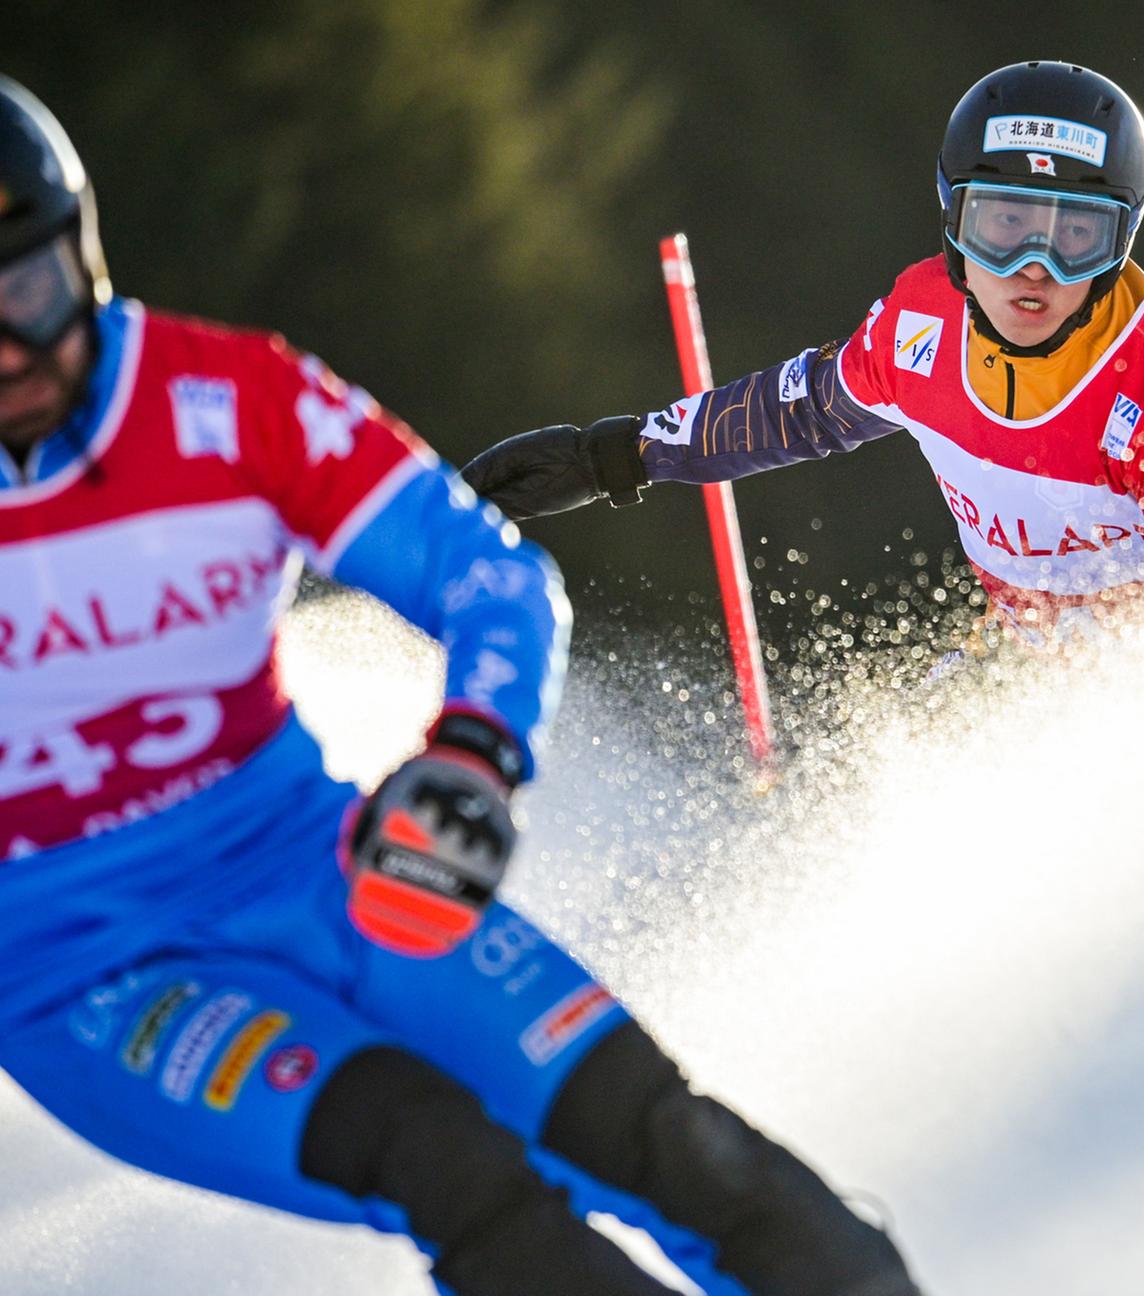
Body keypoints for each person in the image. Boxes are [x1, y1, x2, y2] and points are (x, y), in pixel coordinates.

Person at [0, 74, 923, 1296]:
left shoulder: (228, 400)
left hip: (326, 876)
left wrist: (472, 753)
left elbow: (486, 575)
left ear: (85, 259)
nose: (9, 349)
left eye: (27, 289)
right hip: (85, 970)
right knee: (452, 1169)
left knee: (677, 1148)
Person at [463, 60, 1144, 654]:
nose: (1035, 268)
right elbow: (801, 411)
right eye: (1005, 225)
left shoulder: (1140, 382)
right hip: (1018, 663)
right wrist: (609, 456)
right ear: (955, 221)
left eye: (1077, 235)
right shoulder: (921, 328)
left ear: (1119, 245)